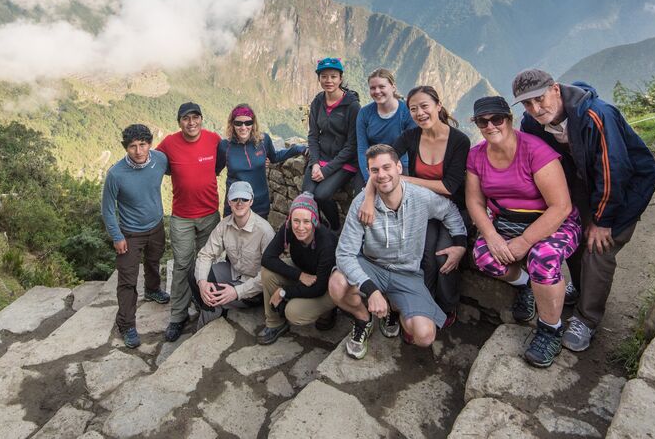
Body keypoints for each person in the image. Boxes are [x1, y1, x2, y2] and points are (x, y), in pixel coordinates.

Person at [513, 69, 655, 353]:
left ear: (555, 89)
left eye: (539, 99)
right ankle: (580, 289)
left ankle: (587, 318)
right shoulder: (531, 122)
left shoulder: (597, 115)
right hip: (582, 185)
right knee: (575, 239)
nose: (535, 108)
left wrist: (603, 221)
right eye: (527, 104)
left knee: (598, 248)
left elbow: (614, 169)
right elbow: (538, 162)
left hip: (626, 187)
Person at [465, 96, 580, 367]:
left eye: (497, 119)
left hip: (553, 221)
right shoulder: (477, 155)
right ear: (478, 125)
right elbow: (474, 201)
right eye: (484, 121)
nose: (491, 125)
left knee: (542, 258)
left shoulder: (534, 151)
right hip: (507, 220)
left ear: (509, 119)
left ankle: (550, 328)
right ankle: (526, 284)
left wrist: (525, 241)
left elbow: (561, 206)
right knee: (484, 256)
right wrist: (491, 236)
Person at [329, 144, 467, 359]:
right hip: (372, 265)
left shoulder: (420, 197)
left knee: (425, 335)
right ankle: (363, 319)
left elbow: (449, 211)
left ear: (399, 168)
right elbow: (345, 253)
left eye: (387, 168)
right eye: (375, 170)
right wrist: (371, 289)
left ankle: (393, 307)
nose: (382, 175)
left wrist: (459, 243)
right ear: (369, 174)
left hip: (407, 273)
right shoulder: (361, 205)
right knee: (337, 285)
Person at [359, 85, 470, 327]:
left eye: (424, 106)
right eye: (413, 109)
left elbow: (450, 187)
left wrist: (405, 179)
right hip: (423, 208)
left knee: (444, 257)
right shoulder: (411, 137)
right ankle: (422, 308)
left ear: (438, 106)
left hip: (453, 209)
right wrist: (368, 197)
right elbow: (381, 163)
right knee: (422, 255)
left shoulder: (459, 140)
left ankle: (447, 306)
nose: (419, 113)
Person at [157, 101, 225, 342]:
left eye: (195, 117)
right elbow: (159, 166)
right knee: (183, 265)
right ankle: (178, 315)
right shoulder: (168, 144)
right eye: (186, 118)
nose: (191, 122)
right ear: (179, 122)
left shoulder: (214, 140)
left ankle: (208, 304)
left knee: (210, 262)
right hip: (182, 217)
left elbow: (220, 164)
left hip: (209, 214)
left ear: (201, 119)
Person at [100, 124, 172, 349]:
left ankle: (152, 289)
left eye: (143, 144)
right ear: (126, 148)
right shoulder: (116, 174)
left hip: (157, 225)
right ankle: (126, 324)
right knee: (128, 280)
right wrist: (116, 235)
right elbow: (108, 209)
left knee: (154, 260)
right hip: (130, 233)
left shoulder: (159, 160)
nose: (139, 151)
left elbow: (180, 169)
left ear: (150, 144)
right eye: (133, 146)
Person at [191, 181, 276, 326]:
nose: (239, 203)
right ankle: (212, 309)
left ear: (251, 201)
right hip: (234, 273)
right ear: (229, 202)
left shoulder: (265, 231)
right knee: (196, 274)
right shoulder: (224, 225)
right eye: (235, 199)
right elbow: (206, 255)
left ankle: (207, 321)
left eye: (244, 199)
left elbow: (269, 274)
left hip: (254, 288)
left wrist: (237, 292)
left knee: (215, 294)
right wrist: (203, 283)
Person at [258, 194, 338, 344]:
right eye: (296, 221)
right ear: (290, 219)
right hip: (304, 271)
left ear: (314, 221)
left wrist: (284, 292)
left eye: (306, 221)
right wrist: (299, 275)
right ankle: (275, 323)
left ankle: (328, 310)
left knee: (293, 312)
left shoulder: (326, 242)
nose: (300, 227)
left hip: (326, 284)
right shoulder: (289, 228)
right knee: (267, 272)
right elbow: (267, 258)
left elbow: (319, 287)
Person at [302, 57, 361, 230]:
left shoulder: (352, 106)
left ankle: (335, 229)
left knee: (321, 195)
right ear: (319, 78)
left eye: (333, 76)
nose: (329, 81)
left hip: (345, 162)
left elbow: (352, 145)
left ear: (340, 79)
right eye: (324, 76)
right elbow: (313, 136)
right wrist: (314, 163)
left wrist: (326, 170)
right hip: (321, 158)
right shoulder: (318, 102)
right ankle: (317, 230)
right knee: (306, 197)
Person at [219, 103, 307, 219]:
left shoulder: (263, 141)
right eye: (238, 123)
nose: (243, 127)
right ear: (232, 124)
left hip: (259, 203)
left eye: (248, 123)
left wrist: (297, 149)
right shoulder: (225, 146)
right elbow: (215, 170)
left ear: (253, 123)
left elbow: (275, 157)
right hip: (235, 205)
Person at [356, 68, 417, 175]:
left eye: (382, 87)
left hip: (400, 166)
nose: (377, 91)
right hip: (372, 166)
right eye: (373, 88)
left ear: (393, 87)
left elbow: (412, 148)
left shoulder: (407, 112)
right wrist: (368, 177)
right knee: (364, 192)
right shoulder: (364, 113)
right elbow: (362, 149)